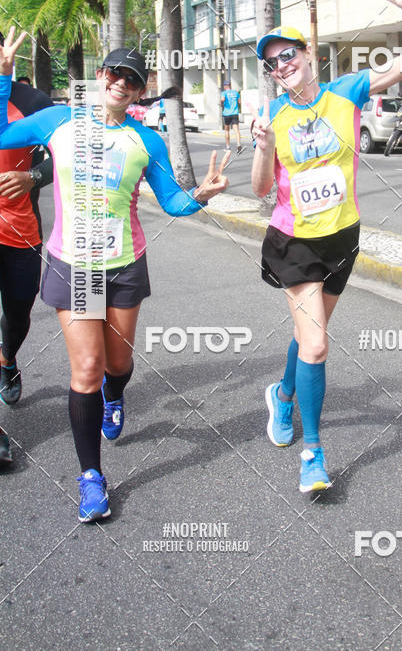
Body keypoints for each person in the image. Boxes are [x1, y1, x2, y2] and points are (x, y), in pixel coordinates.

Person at [0, 32, 230, 520]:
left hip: (124, 265)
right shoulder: (60, 121)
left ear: (140, 91)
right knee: (86, 368)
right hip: (76, 267)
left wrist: (203, 194)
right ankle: (91, 477)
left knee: (117, 365)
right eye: (115, 73)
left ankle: (116, 395)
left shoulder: (145, 140)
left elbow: (172, 203)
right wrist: (3, 79)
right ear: (100, 76)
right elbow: (2, 137)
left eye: (133, 79)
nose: (121, 83)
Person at [251, 0, 402, 493]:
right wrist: (263, 147)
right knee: (318, 344)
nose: (282, 65)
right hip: (294, 242)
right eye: (273, 63)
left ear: (307, 54)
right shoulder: (273, 116)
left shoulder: (345, 91)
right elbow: (261, 189)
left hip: (342, 237)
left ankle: (283, 395)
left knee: (311, 334)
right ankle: (313, 453)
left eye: (288, 55)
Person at [0, 66, 54, 415]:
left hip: (20, 230)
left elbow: (71, 153)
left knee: (18, 313)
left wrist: (33, 176)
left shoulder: (32, 101)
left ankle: (7, 359)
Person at [220, 80, 242, 153]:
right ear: (230, 85)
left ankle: (228, 147)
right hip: (235, 113)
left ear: (225, 86)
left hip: (227, 114)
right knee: (236, 130)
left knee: (227, 130)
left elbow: (222, 99)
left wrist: (221, 103)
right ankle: (238, 144)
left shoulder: (224, 93)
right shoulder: (236, 93)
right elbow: (239, 102)